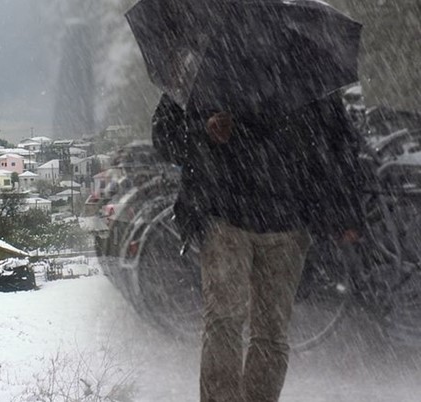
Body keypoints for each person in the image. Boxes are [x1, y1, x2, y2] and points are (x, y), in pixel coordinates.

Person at [152, 88, 364, 402]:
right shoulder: (204, 70)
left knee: (269, 332)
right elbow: (164, 138)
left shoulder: (305, 70)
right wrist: (203, 130)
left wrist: (346, 212)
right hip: (224, 216)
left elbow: (338, 141)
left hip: (289, 220)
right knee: (227, 321)